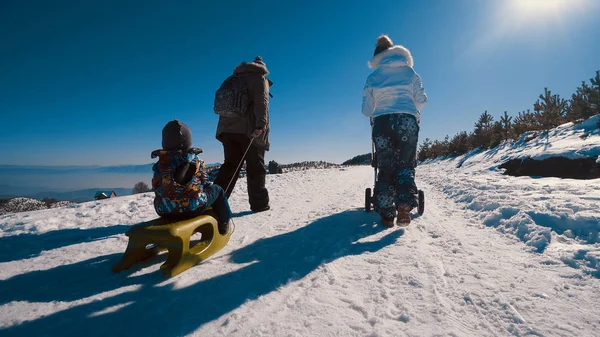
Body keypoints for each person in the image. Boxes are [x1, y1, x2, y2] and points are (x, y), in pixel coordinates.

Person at [362, 35, 428, 227]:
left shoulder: (372, 78)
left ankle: (386, 214)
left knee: (385, 167)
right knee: (405, 165)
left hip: (382, 123)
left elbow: (366, 111)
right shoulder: (410, 72)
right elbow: (422, 102)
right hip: (407, 121)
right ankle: (404, 207)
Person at [151, 119, 232, 235]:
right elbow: (203, 182)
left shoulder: (159, 165)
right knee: (218, 190)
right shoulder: (195, 161)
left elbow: (157, 185)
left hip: (163, 210)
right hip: (191, 209)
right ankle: (224, 222)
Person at [214, 56, 272, 213]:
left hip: (227, 130)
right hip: (249, 130)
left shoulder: (231, 79)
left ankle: (213, 203)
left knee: (230, 166)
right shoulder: (259, 78)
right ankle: (259, 204)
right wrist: (261, 125)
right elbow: (262, 103)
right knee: (256, 167)